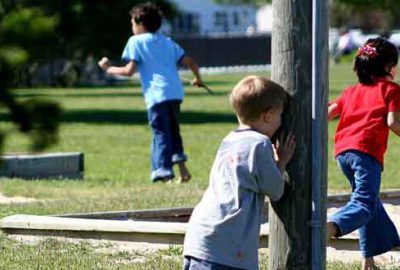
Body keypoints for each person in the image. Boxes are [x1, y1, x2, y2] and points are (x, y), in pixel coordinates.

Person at [183, 76, 296, 270]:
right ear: (268, 115)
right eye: (280, 115)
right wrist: (282, 161)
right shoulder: (259, 144)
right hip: (226, 245)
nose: (280, 122)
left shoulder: (229, 139)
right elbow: (276, 190)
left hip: (199, 237)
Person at [98, 2, 203, 183]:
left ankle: (164, 173)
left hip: (156, 95)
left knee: (160, 133)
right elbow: (190, 61)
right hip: (175, 94)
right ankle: (183, 171)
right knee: (173, 130)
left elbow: (129, 71)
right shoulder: (167, 41)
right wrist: (198, 79)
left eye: (132, 23)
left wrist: (108, 69)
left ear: (140, 24)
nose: (132, 27)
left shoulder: (135, 42)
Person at [327, 38, 400, 270]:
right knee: (364, 203)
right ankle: (328, 229)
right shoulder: (391, 90)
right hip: (366, 153)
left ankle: (368, 260)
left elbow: (328, 113)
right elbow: (393, 122)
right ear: (390, 67)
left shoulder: (351, 91)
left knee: (370, 203)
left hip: (343, 153)